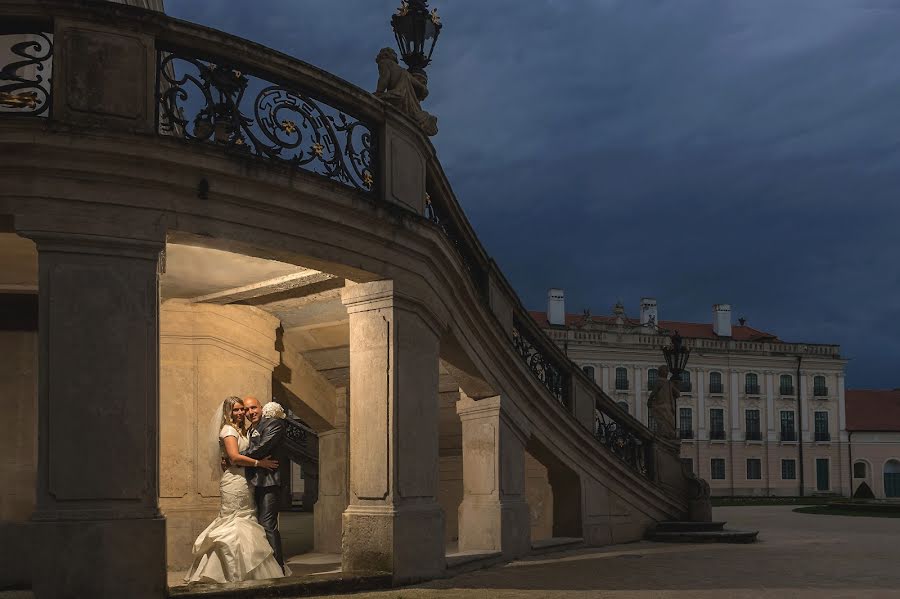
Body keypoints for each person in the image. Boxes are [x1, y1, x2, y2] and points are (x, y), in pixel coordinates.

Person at [183, 397, 287, 584]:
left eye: (244, 409)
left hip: (247, 481)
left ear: (260, 408)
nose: (242, 413)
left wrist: (235, 458)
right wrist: (253, 462)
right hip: (235, 482)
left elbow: (239, 454)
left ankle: (259, 567)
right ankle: (229, 571)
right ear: (228, 412)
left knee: (252, 522)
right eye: (237, 410)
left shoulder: (246, 429)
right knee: (233, 523)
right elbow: (234, 456)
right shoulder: (229, 430)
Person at [241, 397, 289, 570]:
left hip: (270, 481)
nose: (250, 412)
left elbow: (263, 447)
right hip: (256, 480)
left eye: (253, 408)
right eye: (246, 410)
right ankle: (264, 566)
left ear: (261, 407)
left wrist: (237, 457)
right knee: (258, 524)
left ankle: (278, 568)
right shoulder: (251, 428)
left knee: (268, 524)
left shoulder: (274, 423)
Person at [648, 365, 679, 440]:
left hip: (660, 407)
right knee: (669, 423)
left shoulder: (659, 382)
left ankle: (665, 435)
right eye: (666, 371)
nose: (667, 372)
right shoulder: (669, 383)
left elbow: (653, 393)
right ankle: (669, 435)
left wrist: (649, 401)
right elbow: (677, 394)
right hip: (668, 407)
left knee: (663, 423)